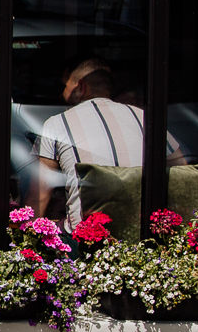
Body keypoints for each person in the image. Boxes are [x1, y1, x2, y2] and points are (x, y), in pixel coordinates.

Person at [37, 58, 182, 228]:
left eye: (65, 86)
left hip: (86, 239)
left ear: (81, 87)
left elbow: (39, 196)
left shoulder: (57, 123)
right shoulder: (146, 119)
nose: (62, 93)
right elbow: (181, 171)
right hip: (143, 234)